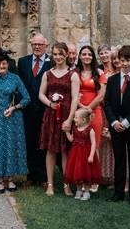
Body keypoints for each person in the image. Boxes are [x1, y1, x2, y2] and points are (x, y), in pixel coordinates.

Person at [105, 45, 130, 205]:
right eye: (122, 60)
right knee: (119, 159)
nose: (125, 64)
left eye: (128, 60)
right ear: (118, 61)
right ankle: (118, 192)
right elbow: (107, 103)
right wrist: (114, 121)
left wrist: (127, 121)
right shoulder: (112, 80)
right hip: (116, 125)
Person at [38, 41, 79, 197]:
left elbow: (75, 98)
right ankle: (50, 184)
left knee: (65, 151)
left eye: (60, 54)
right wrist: (50, 103)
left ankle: (66, 184)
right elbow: (41, 94)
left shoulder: (73, 74)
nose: (58, 57)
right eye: (55, 54)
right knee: (50, 150)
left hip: (66, 116)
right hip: (51, 116)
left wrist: (69, 120)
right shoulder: (47, 74)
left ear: (66, 55)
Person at [0, 49, 30, 193]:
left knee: (11, 146)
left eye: (3, 64)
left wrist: (14, 107)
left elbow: (26, 98)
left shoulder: (15, 79)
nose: (1, 67)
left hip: (13, 118)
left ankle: (10, 179)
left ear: (7, 64)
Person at [17, 33, 51, 186]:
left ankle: (43, 176)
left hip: (45, 110)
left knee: (43, 142)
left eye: (40, 44)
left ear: (45, 45)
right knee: (29, 142)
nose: (37, 47)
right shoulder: (23, 62)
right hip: (27, 111)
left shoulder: (51, 63)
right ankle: (30, 175)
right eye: (34, 44)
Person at [75, 44, 105, 192]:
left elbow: (101, 95)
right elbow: (73, 92)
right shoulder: (75, 72)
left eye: (89, 54)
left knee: (94, 144)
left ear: (93, 57)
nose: (87, 57)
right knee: (79, 145)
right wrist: (81, 107)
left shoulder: (99, 73)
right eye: (84, 54)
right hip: (78, 112)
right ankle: (80, 177)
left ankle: (94, 179)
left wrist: (88, 109)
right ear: (80, 57)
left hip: (95, 112)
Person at [64, 108, 101, 200]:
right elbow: (72, 139)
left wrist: (91, 155)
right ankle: (79, 190)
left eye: (76, 117)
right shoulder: (75, 128)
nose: (74, 119)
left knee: (86, 173)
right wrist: (66, 132)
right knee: (78, 172)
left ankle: (87, 192)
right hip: (76, 155)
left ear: (83, 120)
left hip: (86, 155)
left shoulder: (90, 130)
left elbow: (94, 144)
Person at [96, 46, 117, 187]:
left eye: (106, 52)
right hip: (100, 109)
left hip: (114, 109)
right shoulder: (97, 71)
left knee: (114, 141)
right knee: (102, 141)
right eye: (101, 53)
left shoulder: (116, 70)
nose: (104, 55)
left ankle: (115, 176)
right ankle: (102, 175)